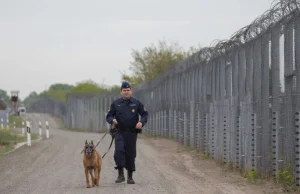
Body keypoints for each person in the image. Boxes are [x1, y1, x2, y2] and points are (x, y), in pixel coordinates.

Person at [105, 81, 148, 184]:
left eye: (128, 90)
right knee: (118, 152)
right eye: (124, 90)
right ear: (121, 92)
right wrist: (112, 120)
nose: (126, 92)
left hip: (132, 133)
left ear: (131, 91)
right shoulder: (116, 103)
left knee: (130, 154)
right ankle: (121, 175)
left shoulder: (136, 103)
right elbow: (109, 116)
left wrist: (141, 123)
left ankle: (130, 177)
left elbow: (145, 114)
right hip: (119, 132)